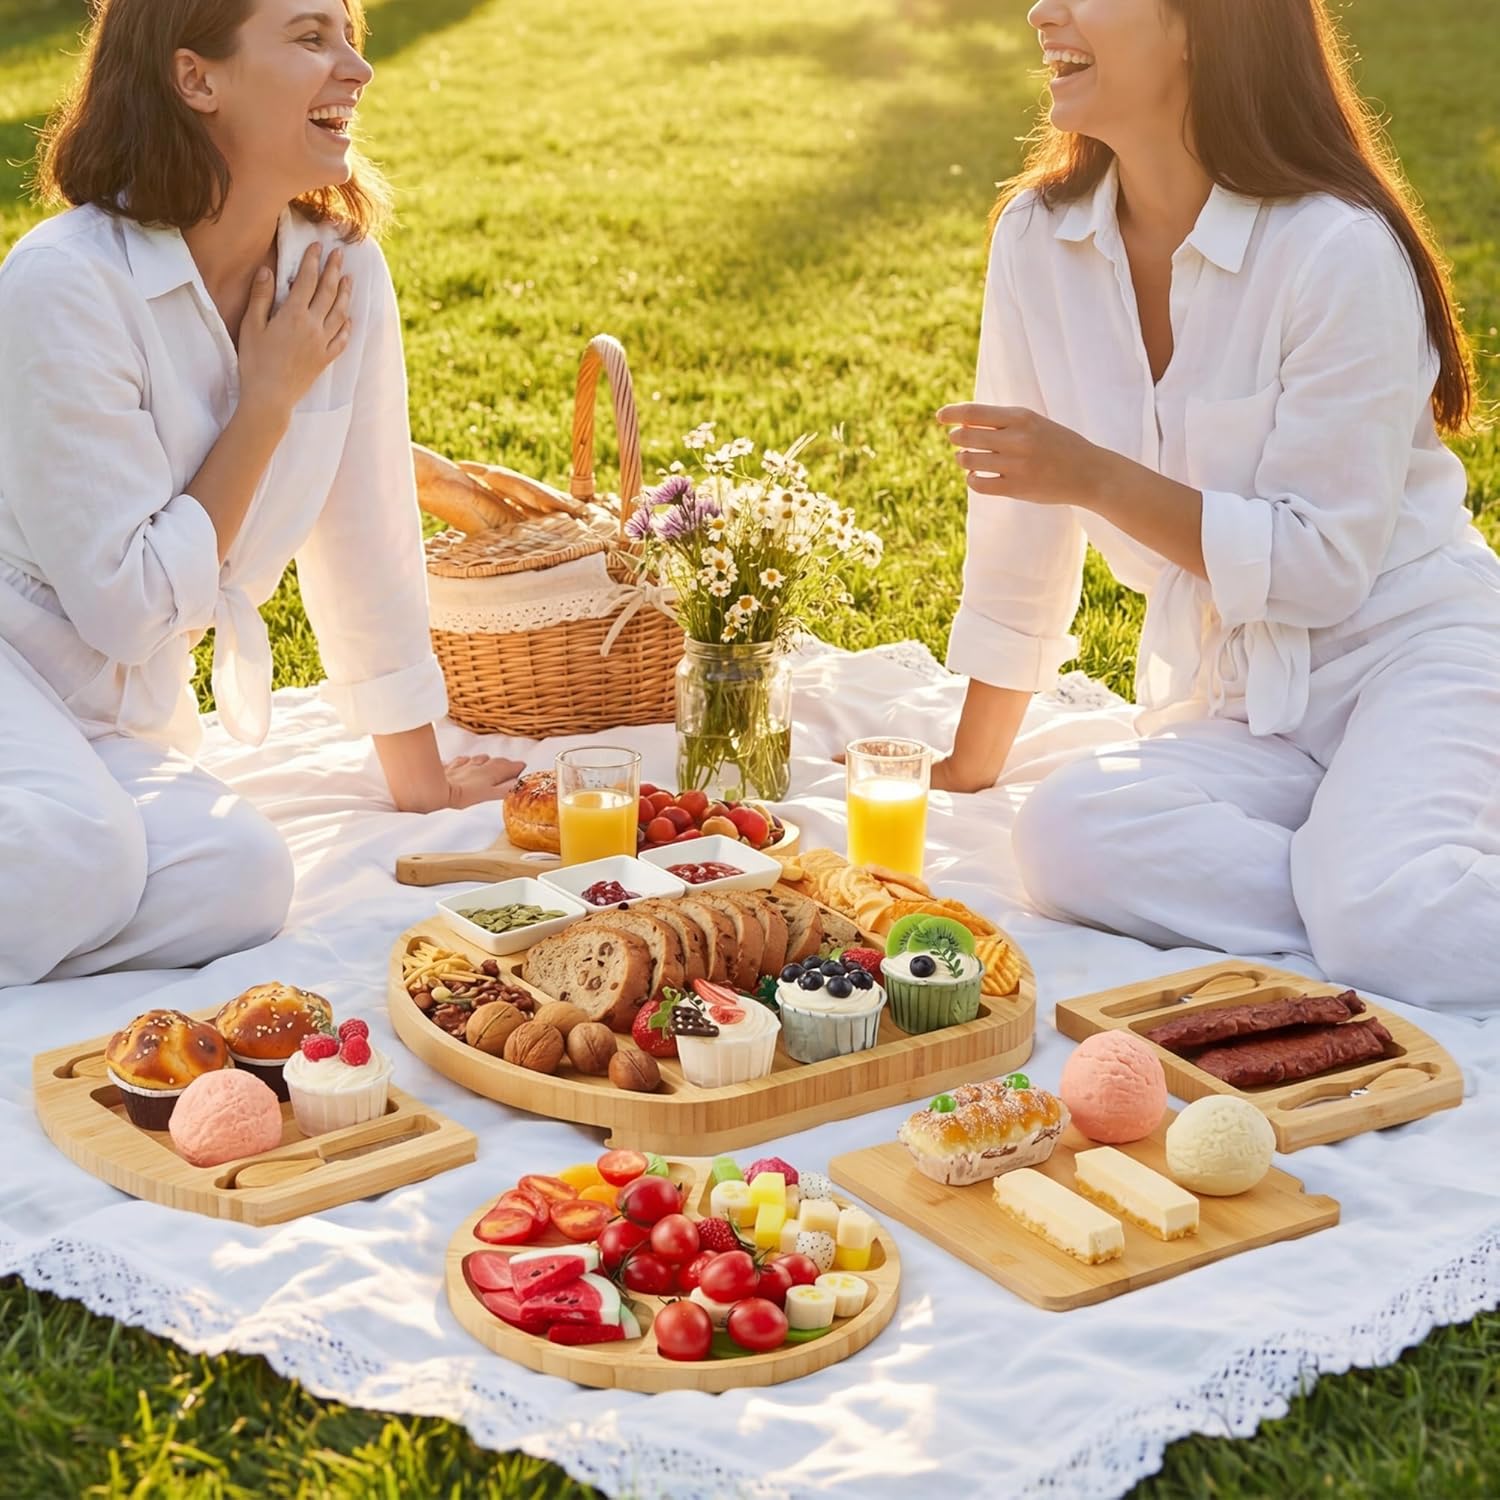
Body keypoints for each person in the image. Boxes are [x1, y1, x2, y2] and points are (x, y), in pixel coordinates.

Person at [936, 0, 1499, 1011]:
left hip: (1413, 649)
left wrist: (1098, 475)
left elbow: (1324, 564)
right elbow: (1019, 534)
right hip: (1247, 700)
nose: (1040, 11)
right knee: (1065, 835)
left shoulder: (1335, 250)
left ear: (1201, 25)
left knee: (1386, 919)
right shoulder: (1038, 238)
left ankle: (1372, 889)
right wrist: (968, 770)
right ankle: (1360, 877)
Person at [0, 0, 522, 988]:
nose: (356, 71)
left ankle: (51, 908)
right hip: (10, 667)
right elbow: (127, 607)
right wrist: (267, 398)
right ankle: (62, 885)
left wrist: (420, 780)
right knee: (84, 851)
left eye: (350, 38)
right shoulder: (63, 285)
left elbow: (366, 525)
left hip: (122, 720)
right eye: (311, 37)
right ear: (198, 79)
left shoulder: (337, 271)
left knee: (242, 879)